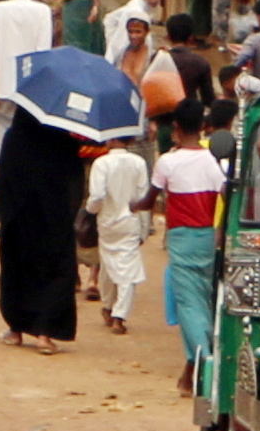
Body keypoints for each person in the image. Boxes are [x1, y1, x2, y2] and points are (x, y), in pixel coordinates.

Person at [0, 108, 89, 352]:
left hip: (18, 218)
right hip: (54, 218)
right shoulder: (64, 139)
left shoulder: (15, 137)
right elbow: (76, 181)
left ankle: (16, 329)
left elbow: (3, 179)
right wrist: (71, 214)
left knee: (16, 272)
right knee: (55, 272)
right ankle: (45, 335)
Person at [155, 108, 228, 389]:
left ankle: (206, 363)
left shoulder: (167, 162)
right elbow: (226, 194)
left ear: (176, 127)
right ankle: (195, 366)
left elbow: (152, 195)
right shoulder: (213, 161)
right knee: (203, 298)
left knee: (188, 304)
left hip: (181, 237)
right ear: (204, 126)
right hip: (207, 236)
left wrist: (136, 205)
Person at [84, 132, 151, 336]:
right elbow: (143, 196)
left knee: (107, 264)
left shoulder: (101, 163)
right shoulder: (138, 163)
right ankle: (119, 316)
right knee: (127, 270)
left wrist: (89, 210)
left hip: (107, 221)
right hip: (130, 220)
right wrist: (144, 228)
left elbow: (97, 196)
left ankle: (108, 305)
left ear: (111, 139)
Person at [0, 0, 55, 123]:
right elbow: (43, 52)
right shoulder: (43, 11)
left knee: (4, 128)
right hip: (30, 86)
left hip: (5, 82)